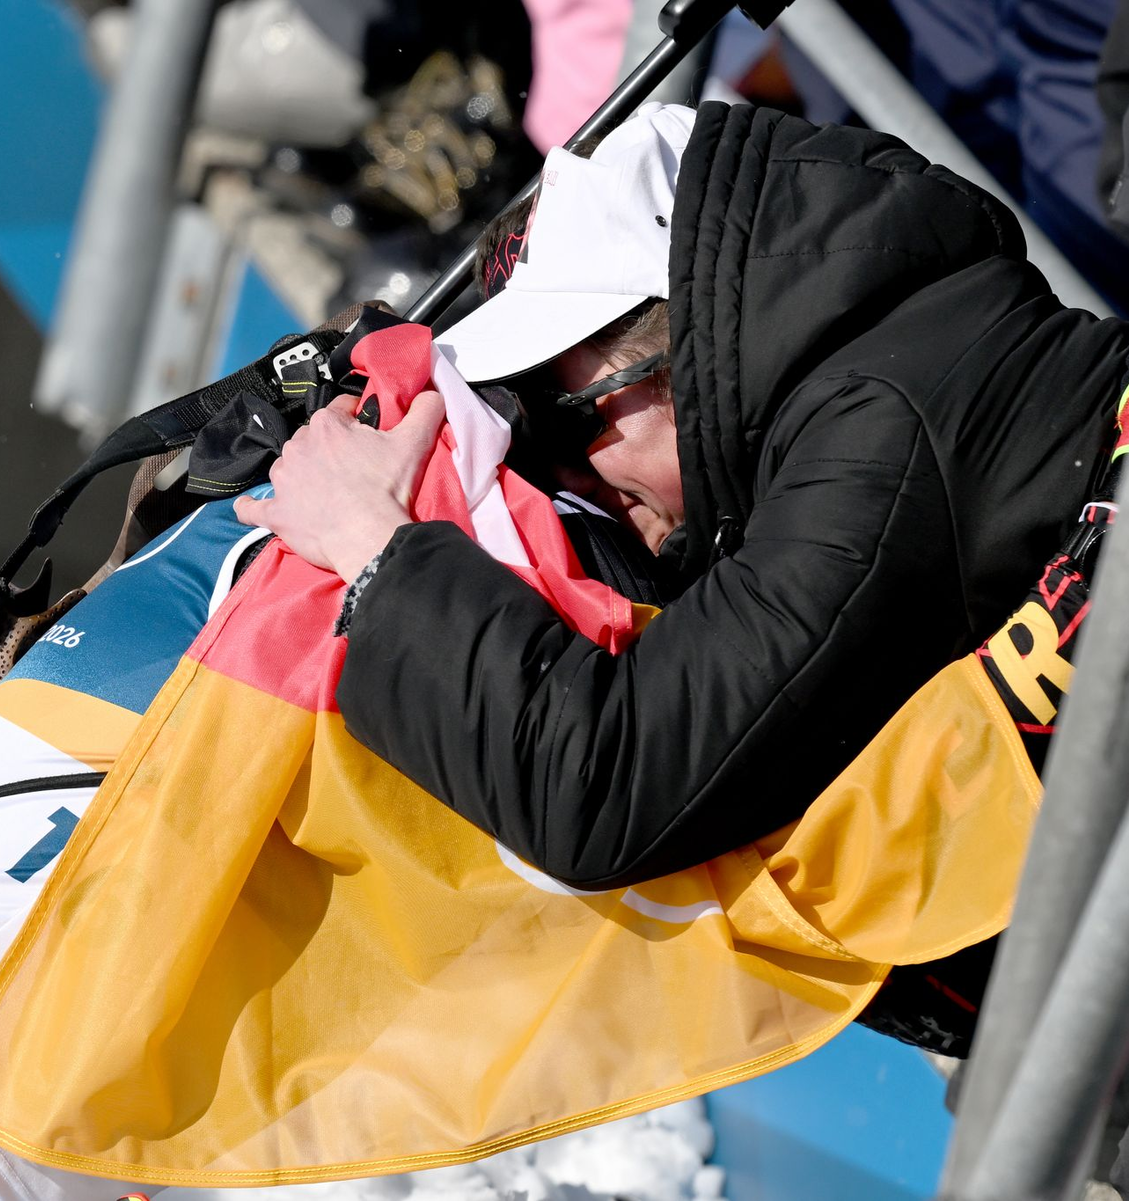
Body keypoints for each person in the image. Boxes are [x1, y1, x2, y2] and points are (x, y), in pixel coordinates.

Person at [235, 99, 1127, 891]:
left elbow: (604, 787)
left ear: (679, 345)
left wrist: (376, 550)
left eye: (560, 415)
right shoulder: (892, 360)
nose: (572, 479)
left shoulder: (877, 436)